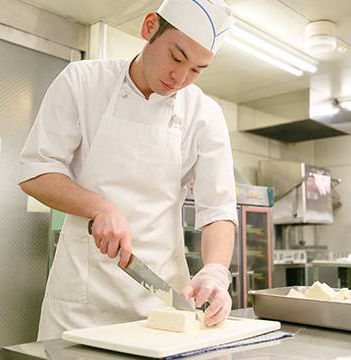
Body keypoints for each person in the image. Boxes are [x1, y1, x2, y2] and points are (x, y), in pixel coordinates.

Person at [18, 0, 238, 340]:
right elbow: (36, 171)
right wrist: (100, 207)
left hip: (163, 303)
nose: (180, 78)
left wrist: (214, 272)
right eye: (176, 58)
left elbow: (218, 210)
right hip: (81, 304)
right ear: (149, 27)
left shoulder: (205, 114)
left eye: (196, 69)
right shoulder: (83, 81)